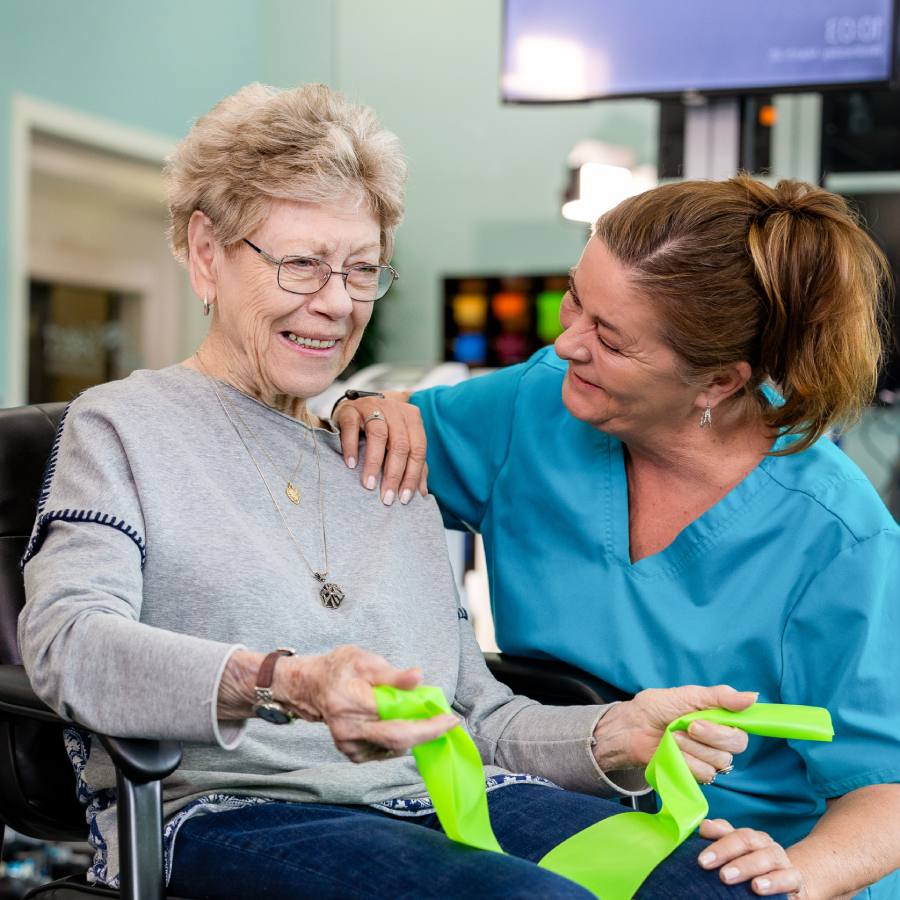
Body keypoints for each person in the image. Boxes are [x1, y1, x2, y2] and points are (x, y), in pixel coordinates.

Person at [18, 83, 766, 900]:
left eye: (362, 270)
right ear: (206, 252)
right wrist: (282, 681)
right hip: (227, 812)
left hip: (444, 797)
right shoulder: (123, 426)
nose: (337, 303)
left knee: (718, 888)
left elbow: (476, 721)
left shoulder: (384, 453)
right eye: (301, 263)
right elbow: (66, 643)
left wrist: (613, 731)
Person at [334, 175, 900, 898]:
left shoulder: (837, 538)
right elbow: (359, 448)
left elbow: (887, 792)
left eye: (611, 338)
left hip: (737, 856)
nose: (566, 343)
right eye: (576, 297)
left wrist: (799, 874)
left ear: (719, 382)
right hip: (553, 825)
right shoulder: (535, 407)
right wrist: (368, 410)